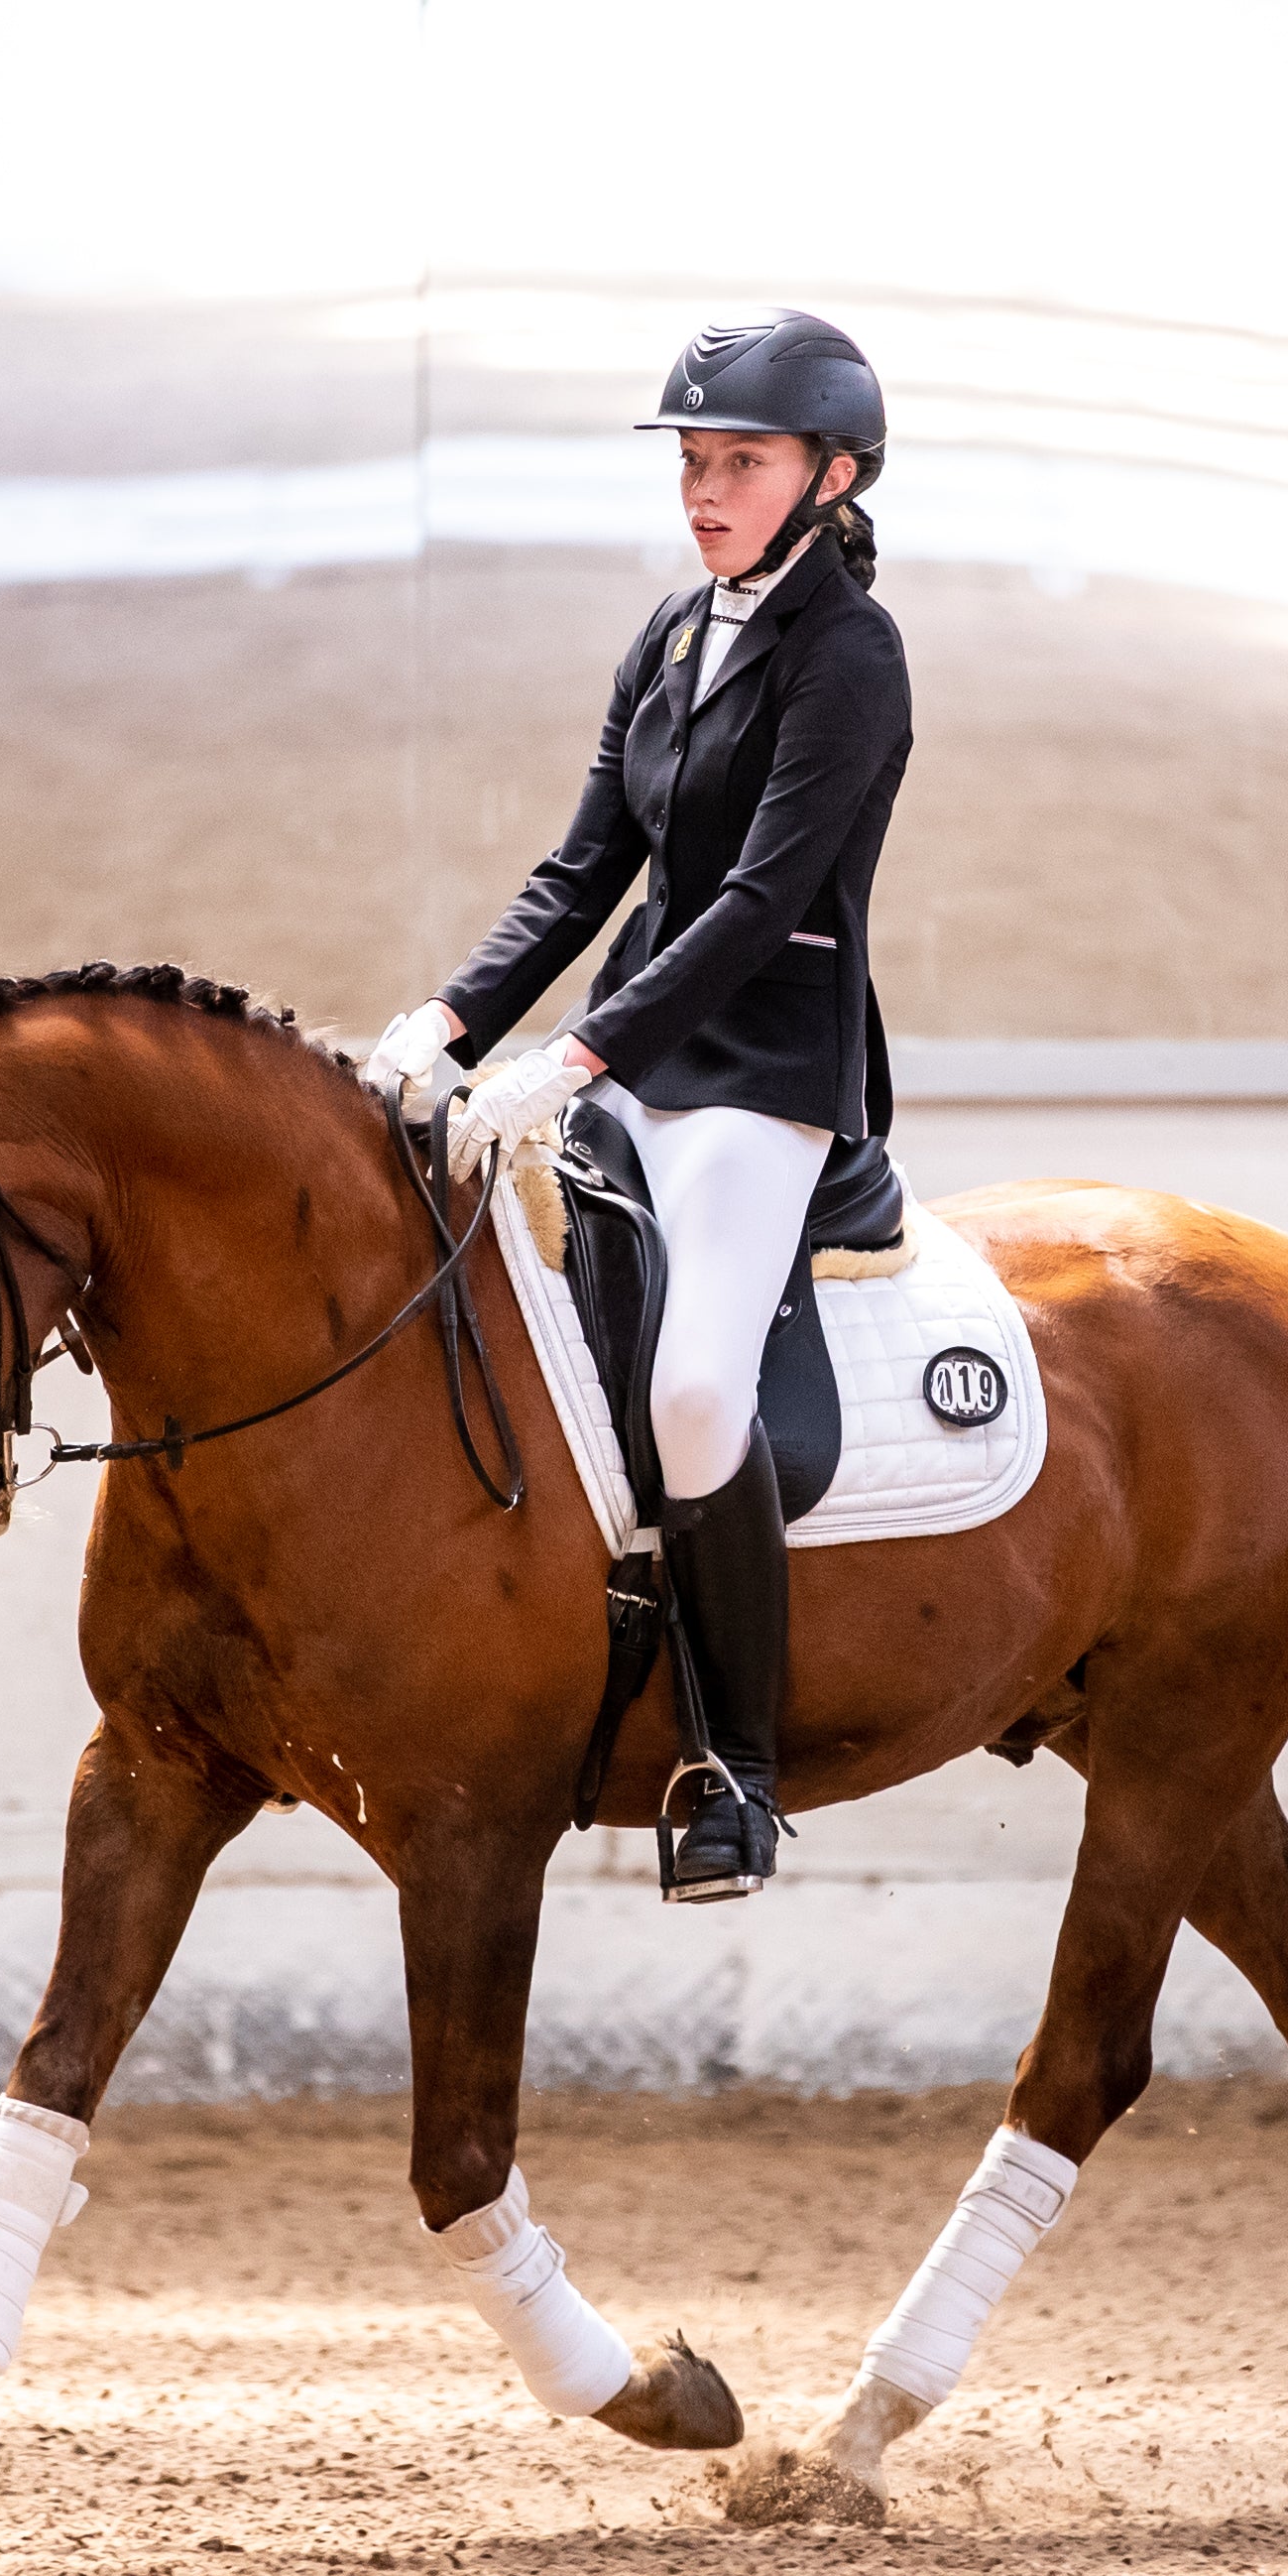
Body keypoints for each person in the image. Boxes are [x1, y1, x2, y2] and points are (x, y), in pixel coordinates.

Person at [359, 310, 912, 1908]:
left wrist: (579, 1055)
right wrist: (454, 1020)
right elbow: (589, 862)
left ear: (833, 473)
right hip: (629, 1058)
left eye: (739, 461)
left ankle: (733, 1767)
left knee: (687, 1397)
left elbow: (752, 901)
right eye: (691, 460)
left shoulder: (850, 655)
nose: (704, 488)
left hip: (758, 1082)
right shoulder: (673, 635)